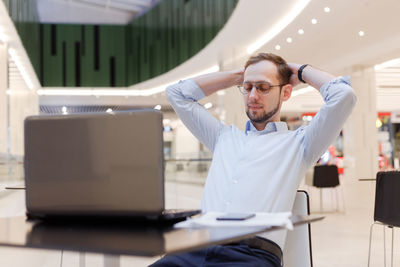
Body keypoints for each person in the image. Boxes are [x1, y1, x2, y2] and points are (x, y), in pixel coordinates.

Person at [150, 53, 357, 267]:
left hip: (249, 255)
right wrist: (237, 77)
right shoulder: (223, 137)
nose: (253, 96)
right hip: (193, 248)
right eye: (247, 88)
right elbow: (176, 94)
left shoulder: (301, 143)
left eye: (263, 87)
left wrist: (300, 71)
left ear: (285, 92)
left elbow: (344, 95)